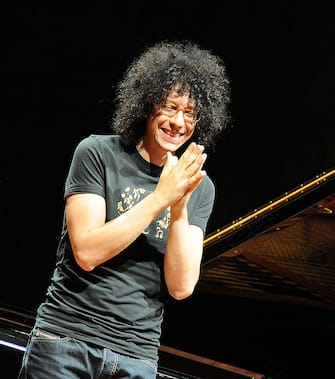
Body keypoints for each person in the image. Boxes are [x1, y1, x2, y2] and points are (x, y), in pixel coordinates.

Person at [17, 39, 231, 378]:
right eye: (170, 107)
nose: (178, 122)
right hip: (66, 342)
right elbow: (87, 251)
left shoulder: (200, 187)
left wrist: (178, 207)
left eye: (190, 113)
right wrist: (161, 197)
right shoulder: (97, 153)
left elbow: (181, 286)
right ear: (147, 103)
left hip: (137, 356)